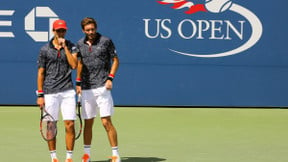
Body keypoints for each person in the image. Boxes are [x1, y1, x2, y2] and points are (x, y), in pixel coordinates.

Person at [75, 17, 121, 162]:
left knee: (106, 122)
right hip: (86, 88)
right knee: (88, 123)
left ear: (96, 28)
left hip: (102, 87)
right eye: (88, 30)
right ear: (83, 30)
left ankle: (115, 154)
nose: (91, 32)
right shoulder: (79, 44)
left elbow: (115, 60)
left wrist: (110, 78)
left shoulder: (106, 41)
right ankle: (87, 155)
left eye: (93, 29)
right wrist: (78, 83)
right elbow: (80, 64)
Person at [36, 19, 78, 162]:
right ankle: (54, 157)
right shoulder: (44, 50)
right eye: (58, 30)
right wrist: (40, 95)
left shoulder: (72, 46)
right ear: (53, 31)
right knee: (50, 126)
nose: (61, 33)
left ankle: (69, 158)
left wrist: (65, 47)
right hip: (50, 92)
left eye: (63, 30)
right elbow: (41, 73)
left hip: (67, 91)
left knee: (70, 124)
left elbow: (74, 66)